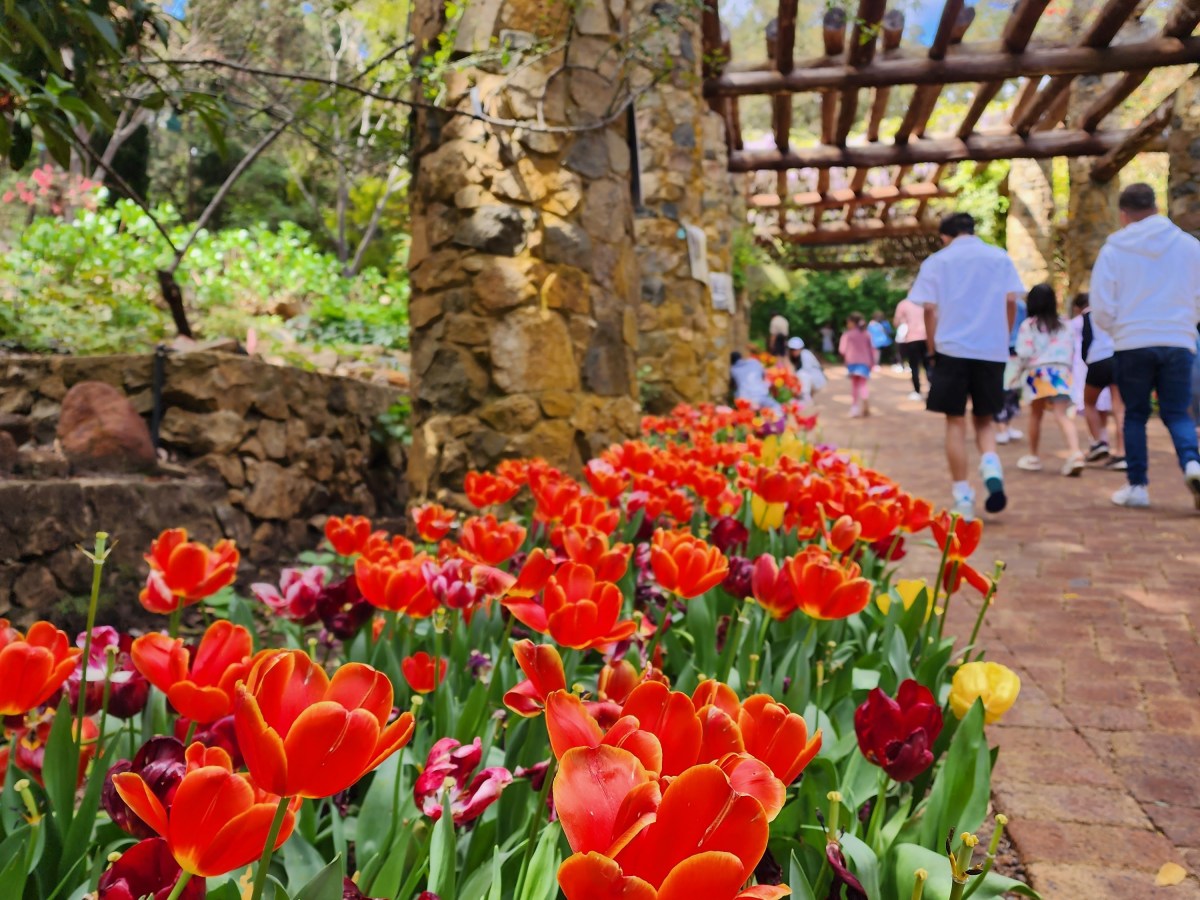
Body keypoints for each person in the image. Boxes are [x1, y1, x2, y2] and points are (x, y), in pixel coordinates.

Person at [1090, 183, 1200, 509]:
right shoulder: (1189, 246)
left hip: (1132, 342)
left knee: (1135, 414)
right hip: (1178, 339)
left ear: (1124, 214)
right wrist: (1185, 323)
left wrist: (1118, 329)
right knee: (1178, 413)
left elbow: (1101, 305)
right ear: (1156, 206)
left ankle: (1137, 487)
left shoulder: (1113, 249)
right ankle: (1193, 464)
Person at [911, 211, 1025, 520]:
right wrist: (1002, 338)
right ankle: (991, 467)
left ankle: (963, 496)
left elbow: (929, 310)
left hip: (952, 350)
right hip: (991, 351)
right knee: (985, 420)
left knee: (955, 421)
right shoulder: (999, 257)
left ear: (945, 236)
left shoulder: (937, 262)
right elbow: (1011, 301)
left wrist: (932, 351)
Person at [1012, 284, 1085, 476]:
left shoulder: (1029, 325)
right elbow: (1072, 350)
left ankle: (1033, 456)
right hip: (1061, 372)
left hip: (1038, 374)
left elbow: (1024, 352)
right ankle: (1076, 452)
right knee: (1062, 414)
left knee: (1036, 415)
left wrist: (1017, 374)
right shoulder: (1065, 324)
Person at [1072, 292, 1126, 470]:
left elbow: (1087, 340)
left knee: (1089, 402)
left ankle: (1098, 442)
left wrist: (1086, 360)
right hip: (1117, 358)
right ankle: (1121, 452)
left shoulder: (1089, 314)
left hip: (1098, 360)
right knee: (1119, 408)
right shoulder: (1116, 311)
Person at [994, 293, 1027, 446]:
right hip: (999, 351)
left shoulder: (1020, 306)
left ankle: (1006, 428)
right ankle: (1003, 428)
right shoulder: (1019, 305)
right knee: (1005, 390)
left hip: (1012, 351)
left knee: (1009, 390)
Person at [893, 296, 928, 400]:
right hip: (927, 338)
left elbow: (896, 322)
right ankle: (932, 389)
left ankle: (917, 391)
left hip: (912, 339)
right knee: (929, 365)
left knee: (915, 366)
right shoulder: (927, 302)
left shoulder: (904, 303)